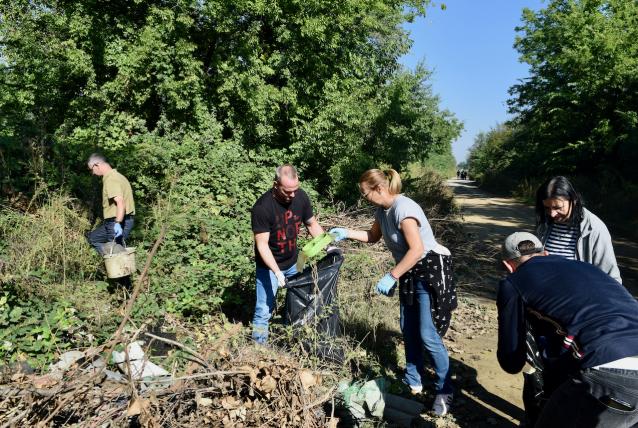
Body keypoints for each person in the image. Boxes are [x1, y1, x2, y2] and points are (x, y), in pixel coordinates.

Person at [329, 168, 456, 416]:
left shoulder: (404, 209)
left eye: (365, 194)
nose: (364, 199)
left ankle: (444, 390)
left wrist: (392, 275)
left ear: (379, 189)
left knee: (428, 334)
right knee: (407, 327)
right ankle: (413, 380)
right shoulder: (382, 210)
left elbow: (417, 249)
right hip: (409, 270)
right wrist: (344, 232)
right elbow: (372, 236)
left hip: (429, 270)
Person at [497, 232, 638, 428]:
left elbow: (511, 360)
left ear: (508, 266)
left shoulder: (512, 282)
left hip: (609, 368)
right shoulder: (584, 267)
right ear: (545, 253)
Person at [250, 164, 324, 344]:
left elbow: (312, 224)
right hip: (269, 266)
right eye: (287, 191)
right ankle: (258, 351)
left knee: (299, 303)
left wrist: (327, 245)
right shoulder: (262, 207)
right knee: (263, 310)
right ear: (276, 185)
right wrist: (277, 272)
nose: (292, 195)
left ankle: (292, 341)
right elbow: (262, 245)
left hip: (294, 261)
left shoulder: (301, 197)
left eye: (295, 190)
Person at [535, 175, 621, 283]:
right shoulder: (545, 223)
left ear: (574, 199)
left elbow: (611, 277)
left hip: (579, 298)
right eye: (547, 208)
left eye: (558, 207)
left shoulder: (594, 228)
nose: (552, 214)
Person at [86, 153, 135, 255]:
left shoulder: (111, 179)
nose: (93, 173)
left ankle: (116, 264)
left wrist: (117, 223)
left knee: (115, 254)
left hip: (117, 221)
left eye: (91, 169)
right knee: (93, 238)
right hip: (117, 221)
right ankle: (113, 259)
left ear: (97, 165)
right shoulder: (119, 176)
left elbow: (120, 202)